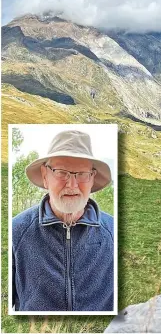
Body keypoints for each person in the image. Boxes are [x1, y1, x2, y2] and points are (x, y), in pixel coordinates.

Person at [12, 130, 114, 311]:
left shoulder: (114, 233)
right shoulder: (16, 231)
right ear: (45, 176)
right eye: (61, 172)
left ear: (92, 178)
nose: (72, 184)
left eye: (81, 174)